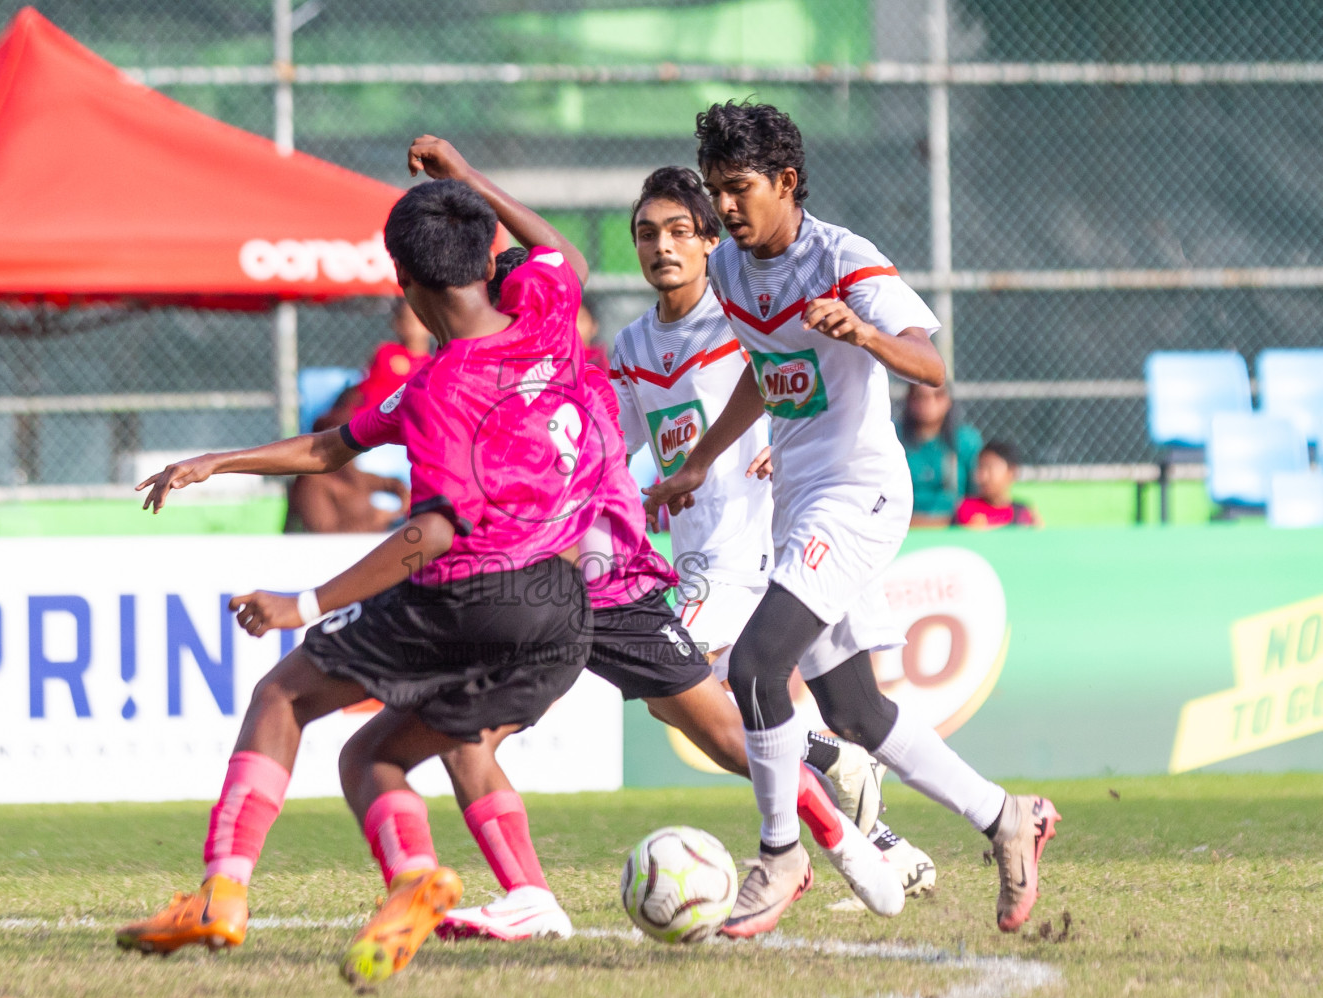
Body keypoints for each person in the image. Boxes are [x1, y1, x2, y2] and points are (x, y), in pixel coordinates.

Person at [117, 137, 608, 990]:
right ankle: (434, 884)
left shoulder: (439, 390)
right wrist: (218, 462)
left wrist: (301, 604)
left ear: (403, 285)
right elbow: (332, 446)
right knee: (373, 757)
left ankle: (222, 895)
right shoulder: (547, 311)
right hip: (562, 609)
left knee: (283, 696)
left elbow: (433, 534)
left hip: (472, 592)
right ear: (493, 256)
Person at [646, 101, 1060, 938]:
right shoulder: (729, 270)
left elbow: (930, 363)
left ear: (787, 183)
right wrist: (700, 459)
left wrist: (866, 332)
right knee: (855, 715)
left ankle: (780, 854)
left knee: (757, 666)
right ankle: (1008, 818)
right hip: (798, 502)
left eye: (740, 190)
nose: (725, 208)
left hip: (861, 494)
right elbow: (766, 373)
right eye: (718, 191)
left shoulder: (843, 257)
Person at [427, 245, 902, 943]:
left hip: (638, 579)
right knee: (481, 731)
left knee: (727, 717)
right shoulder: (487, 379)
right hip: (561, 585)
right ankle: (530, 893)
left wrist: (778, 438)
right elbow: (342, 442)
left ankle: (846, 830)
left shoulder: (583, 373)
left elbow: (781, 375)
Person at [605, 164, 935, 908]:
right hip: (693, 548)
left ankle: (812, 814)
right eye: (646, 234)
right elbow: (619, 444)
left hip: (760, 536)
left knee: (685, 690)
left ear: (711, 242)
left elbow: (795, 373)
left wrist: (772, 438)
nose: (662, 247)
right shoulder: (630, 344)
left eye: (680, 232)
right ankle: (874, 830)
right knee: (692, 702)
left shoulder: (737, 318)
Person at [283, 387, 409, 533]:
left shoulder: (351, 472)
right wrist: (379, 519)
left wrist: (403, 496)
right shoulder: (312, 483)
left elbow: (391, 483)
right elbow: (324, 537)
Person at [899, 381, 983, 527]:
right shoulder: (892, 438)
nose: (929, 402)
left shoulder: (966, 440)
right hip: (900, 527)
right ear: (910, 400)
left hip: (955, 529)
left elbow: (977, 493)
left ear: (948, 400)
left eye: (937, 396)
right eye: (920, 396)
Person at [356, 299, 434, 408]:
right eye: (407, 320)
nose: (413, 326)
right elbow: (362, 390)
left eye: (419, 319)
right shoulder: (385, 353)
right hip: (369, 417)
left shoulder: (433, 366)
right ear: (398, 323)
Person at [953, 440, 1038, 528]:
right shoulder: (967, 509)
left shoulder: (1023, 512)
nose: (983, 476)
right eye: (980, 468)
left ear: (1011, 472)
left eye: (990, 468)